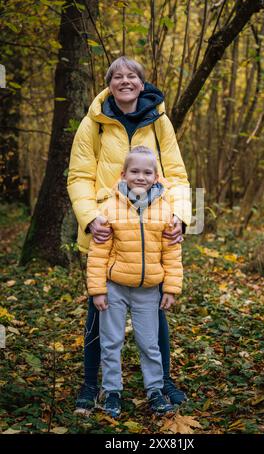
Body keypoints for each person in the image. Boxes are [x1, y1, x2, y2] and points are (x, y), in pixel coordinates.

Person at [67, 56, 191, 415]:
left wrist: (180, 218)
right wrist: (91, 219)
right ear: (109, 84)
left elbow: (177, 175)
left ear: (141, 82)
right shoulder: (95, 123)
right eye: (117, 76)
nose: (125, 81)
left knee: (155, 313)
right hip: (107, 231)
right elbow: (78, 176)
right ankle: (92, 386)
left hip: (153, 230)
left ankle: (162, 383)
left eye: (131, 76)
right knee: (98, 307)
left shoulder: (159, 120)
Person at [87, 146, 183, 417]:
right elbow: (98, 253)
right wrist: (97, 290)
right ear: (123, 174)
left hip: (149, 289)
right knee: (111, 341)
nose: (141, 176)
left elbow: (172, 253)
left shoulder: (166, 210)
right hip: (114, 286)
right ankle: (112, 391)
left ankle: (155, 389)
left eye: (147, 172)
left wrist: (171, 287)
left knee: (149, 342)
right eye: (135, 171)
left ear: (156, 176)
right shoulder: (109, 206)